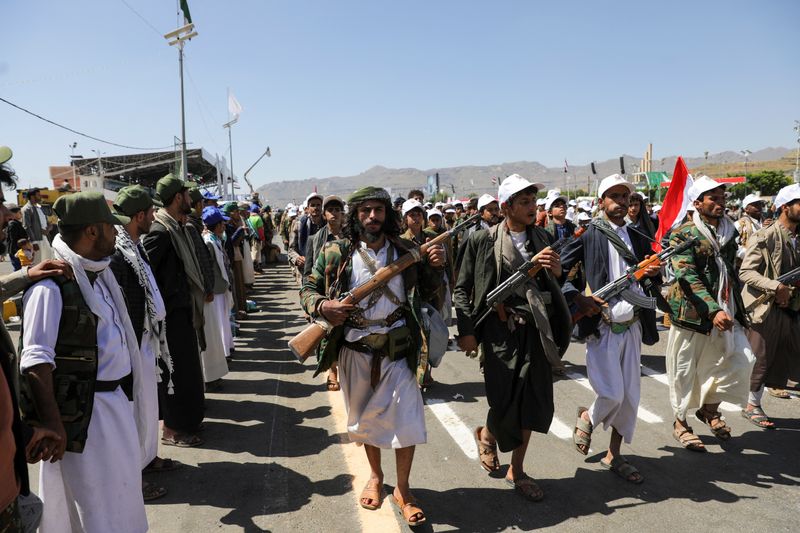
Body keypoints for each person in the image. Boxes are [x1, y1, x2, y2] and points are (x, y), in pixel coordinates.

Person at [299, 187, 444, 526]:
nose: (372, 217)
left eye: (378, 210)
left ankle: (404, 491)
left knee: (407, 421)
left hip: (398, 351)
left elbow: (429, 289)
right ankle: (376, 477)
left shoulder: (407, 250)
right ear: (356, 215)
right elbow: (308, 288)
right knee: (366, 422)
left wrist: (436, 266)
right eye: (365, 211)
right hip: (354, 349)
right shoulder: (336, 252)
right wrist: (323, 306)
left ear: (387, 214)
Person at [19, 192, 150, 532]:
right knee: (96, 512)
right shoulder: (51, 287)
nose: (117, 234)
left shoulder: (101, 277)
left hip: (113, 410)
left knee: (121, 505)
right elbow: (35, 360)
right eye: (111, 227)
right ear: (93, 231)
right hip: (86, 423)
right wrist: (54, 424)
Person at [454, 175, 570, 502]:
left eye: (534, 201)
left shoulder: (543, 237)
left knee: (532, 401)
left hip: (535, 331)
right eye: (524, 202)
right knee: (503, 400)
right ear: (507, 207)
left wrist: (557, 272)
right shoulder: (481, 241)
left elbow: (556, 288)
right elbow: (462, 289)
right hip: (498, 334)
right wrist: (467, 331)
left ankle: (517, 469)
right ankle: (487, 434)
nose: (532, 208)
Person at [560, 174, 663, 484]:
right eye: (614, 196)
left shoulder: (640, 236)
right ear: (601, 201)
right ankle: (587, 417)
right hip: (602, 327)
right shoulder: (587, 235)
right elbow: (558, 274)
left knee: (630, 398)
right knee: (612, 394)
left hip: (632, 325)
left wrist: (652, 272)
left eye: (624, 197)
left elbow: (649, 283)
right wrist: (579, 297)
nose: (620, 202)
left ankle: (614, 455)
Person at [665, 176, 755, 451]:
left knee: (741, 361)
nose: (720, 203)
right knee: (684, 373)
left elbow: (729, 272)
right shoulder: (683, 234)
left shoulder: (728, 232)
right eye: (712, 198)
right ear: (697, 203)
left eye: (722, 198)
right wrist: (712, 309)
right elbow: (687, 276)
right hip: (692, 315)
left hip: (726, 312)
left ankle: (708, 409)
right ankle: (680, 422)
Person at [108, 185, 175, 502]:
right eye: (150, 213)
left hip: (147, 341)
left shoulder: (137, 247)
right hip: (132, 346)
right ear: (138, 216)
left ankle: (148, 459)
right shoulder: (118, 256)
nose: (154, 217)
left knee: (149, 407)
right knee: (134, 413)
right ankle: (134, 477)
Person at [143, 174, 207, 448]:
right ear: (178, 197)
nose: (191, 198)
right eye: (187, 194)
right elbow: (146, 273)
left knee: (188, 371)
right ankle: (172, 429)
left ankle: (187, 422)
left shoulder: (178, 228)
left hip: (183, 311)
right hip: (169, 315)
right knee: (173, 372)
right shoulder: (160, 232)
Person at [739, 184, 800, 426]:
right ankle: (752, 404)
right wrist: (776, 287)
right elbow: (746, 272)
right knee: (761, 357)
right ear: (786, 207)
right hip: (767, 307)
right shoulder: (764, 236)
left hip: (794, 306)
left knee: (790, 354)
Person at [303, 195, 346, 390]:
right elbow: (309, 273)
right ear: (325, 214)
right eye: (331, 210)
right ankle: (332, 372)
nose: (334, 213)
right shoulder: (315, 239)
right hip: (324, 295)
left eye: (338, 210)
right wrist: (311, 303)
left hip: (347, 293)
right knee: (327, 337)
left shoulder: (352, 238)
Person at [200, 206, 232, 389]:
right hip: (215, 291)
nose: (224, 226)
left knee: (223, 324)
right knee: (218, 327)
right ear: (216, 225)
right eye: (222, 223)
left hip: (220, 289)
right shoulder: (209, 242)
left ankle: (226, 352)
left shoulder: (215, 240)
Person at [223, 202, 248, 317]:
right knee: (236, 285)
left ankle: (241, 308)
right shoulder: (228, 224)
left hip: (237, 254)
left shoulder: (234, 223)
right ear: (231, 213)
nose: (239, 214)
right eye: (237, 212)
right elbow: (230, 241)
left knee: (239, 283)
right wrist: (240, 231)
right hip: (233, 256)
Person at [21, 188, 53, 264]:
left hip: (45, 238)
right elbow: (27, 226)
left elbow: (44, 221)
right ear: (32, 197)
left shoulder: (39, 207)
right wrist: (34, 242)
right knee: (37, 262)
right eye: (38, 195)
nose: (40, 197)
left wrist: (49, 227)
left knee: (49, 258)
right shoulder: (26, 209)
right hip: (36, 240)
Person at [735, 193, 766, 263]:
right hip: (748, 262)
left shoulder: (766, 221)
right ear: (746, 209)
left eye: (760, 204)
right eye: (755, 205)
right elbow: (735, 246)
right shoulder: (739, 224)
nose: (759, 207)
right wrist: (750, 255)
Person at [5, 203, 26, 271]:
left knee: (20, 268)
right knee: (18, 269)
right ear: (14, 214)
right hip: (16, 251)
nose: (21, 214)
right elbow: (13, 239)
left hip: (18, 250)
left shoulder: (16, 223)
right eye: (19, 212)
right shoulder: (12, 224)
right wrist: (17, 251)